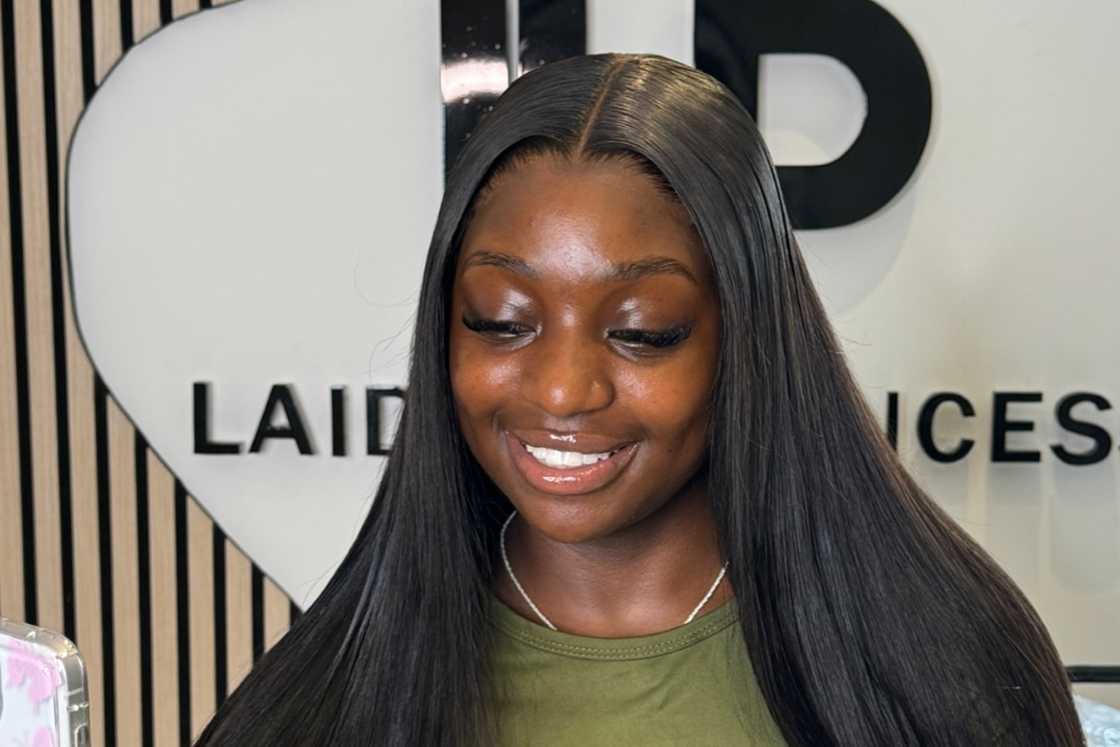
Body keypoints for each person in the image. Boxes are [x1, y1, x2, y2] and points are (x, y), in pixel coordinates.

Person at [196, 53, 1085, 745]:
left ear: (747, 335)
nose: (561, 387)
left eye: (643, 329)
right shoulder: (325, 703)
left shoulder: (943, 669)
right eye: (500, 320)